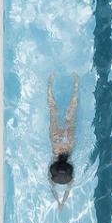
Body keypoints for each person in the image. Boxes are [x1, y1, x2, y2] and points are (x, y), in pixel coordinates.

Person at [48, 74, 79, 205]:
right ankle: (49, 85)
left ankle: (76, 86)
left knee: (70, 113)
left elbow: (68, 188)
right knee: (53, 112)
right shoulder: (51, 173)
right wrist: (59, 201)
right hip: (56, 141)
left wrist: (62, 201)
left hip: (68, 142)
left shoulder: (70, 170)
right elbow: (54, 188)